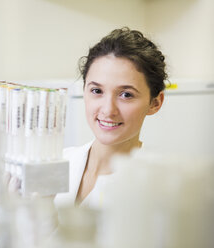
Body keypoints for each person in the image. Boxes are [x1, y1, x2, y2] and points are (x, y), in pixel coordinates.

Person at [55, 27, 167, 209]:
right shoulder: (59, 162)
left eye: (126, 95)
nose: (108, 110)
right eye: (97, 91)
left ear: (155, 103)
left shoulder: (159, 187)